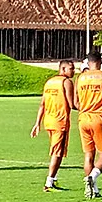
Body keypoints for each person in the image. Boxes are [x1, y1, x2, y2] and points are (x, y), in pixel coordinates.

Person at [31, 60, 76, 191]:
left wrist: (37, 123)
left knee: (58, 152)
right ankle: (48, 182)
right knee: (57, 152)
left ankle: (53, 179)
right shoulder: (66, 82)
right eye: (71, 69)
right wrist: (87, 107)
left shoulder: (49, 82)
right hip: (59, 121)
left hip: (49, 121)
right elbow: (72, 104)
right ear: (63, 69)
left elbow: (42, 104)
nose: (73, 71)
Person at [75, 55, 102, 198]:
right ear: (100, 62)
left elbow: (76, 102)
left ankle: (92, 190)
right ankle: (92, 176)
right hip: (99, 119)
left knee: (88, 154)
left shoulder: (80, 78)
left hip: (83, 119)